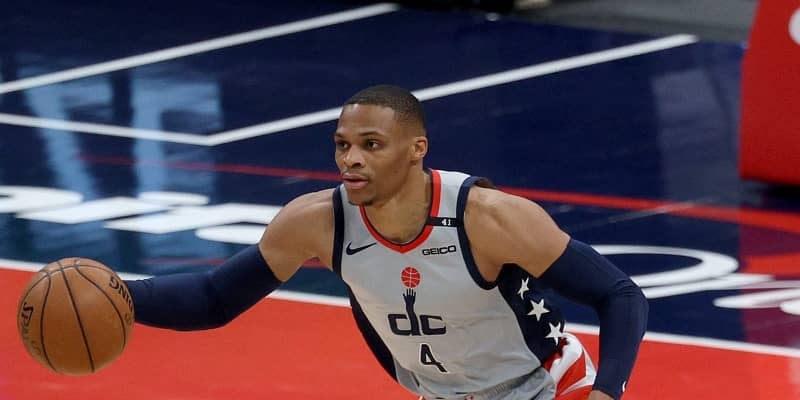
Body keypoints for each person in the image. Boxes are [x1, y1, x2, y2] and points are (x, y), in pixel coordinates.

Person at [125, 85, 648, 400]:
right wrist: (116, 293)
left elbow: (619, 294)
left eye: (371, 145)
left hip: (547, 387)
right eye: (342, 145)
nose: (351, 159)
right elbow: (214, 299)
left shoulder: (487, 217)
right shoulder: (317, 221)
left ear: (417, 149)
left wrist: (606, 392)